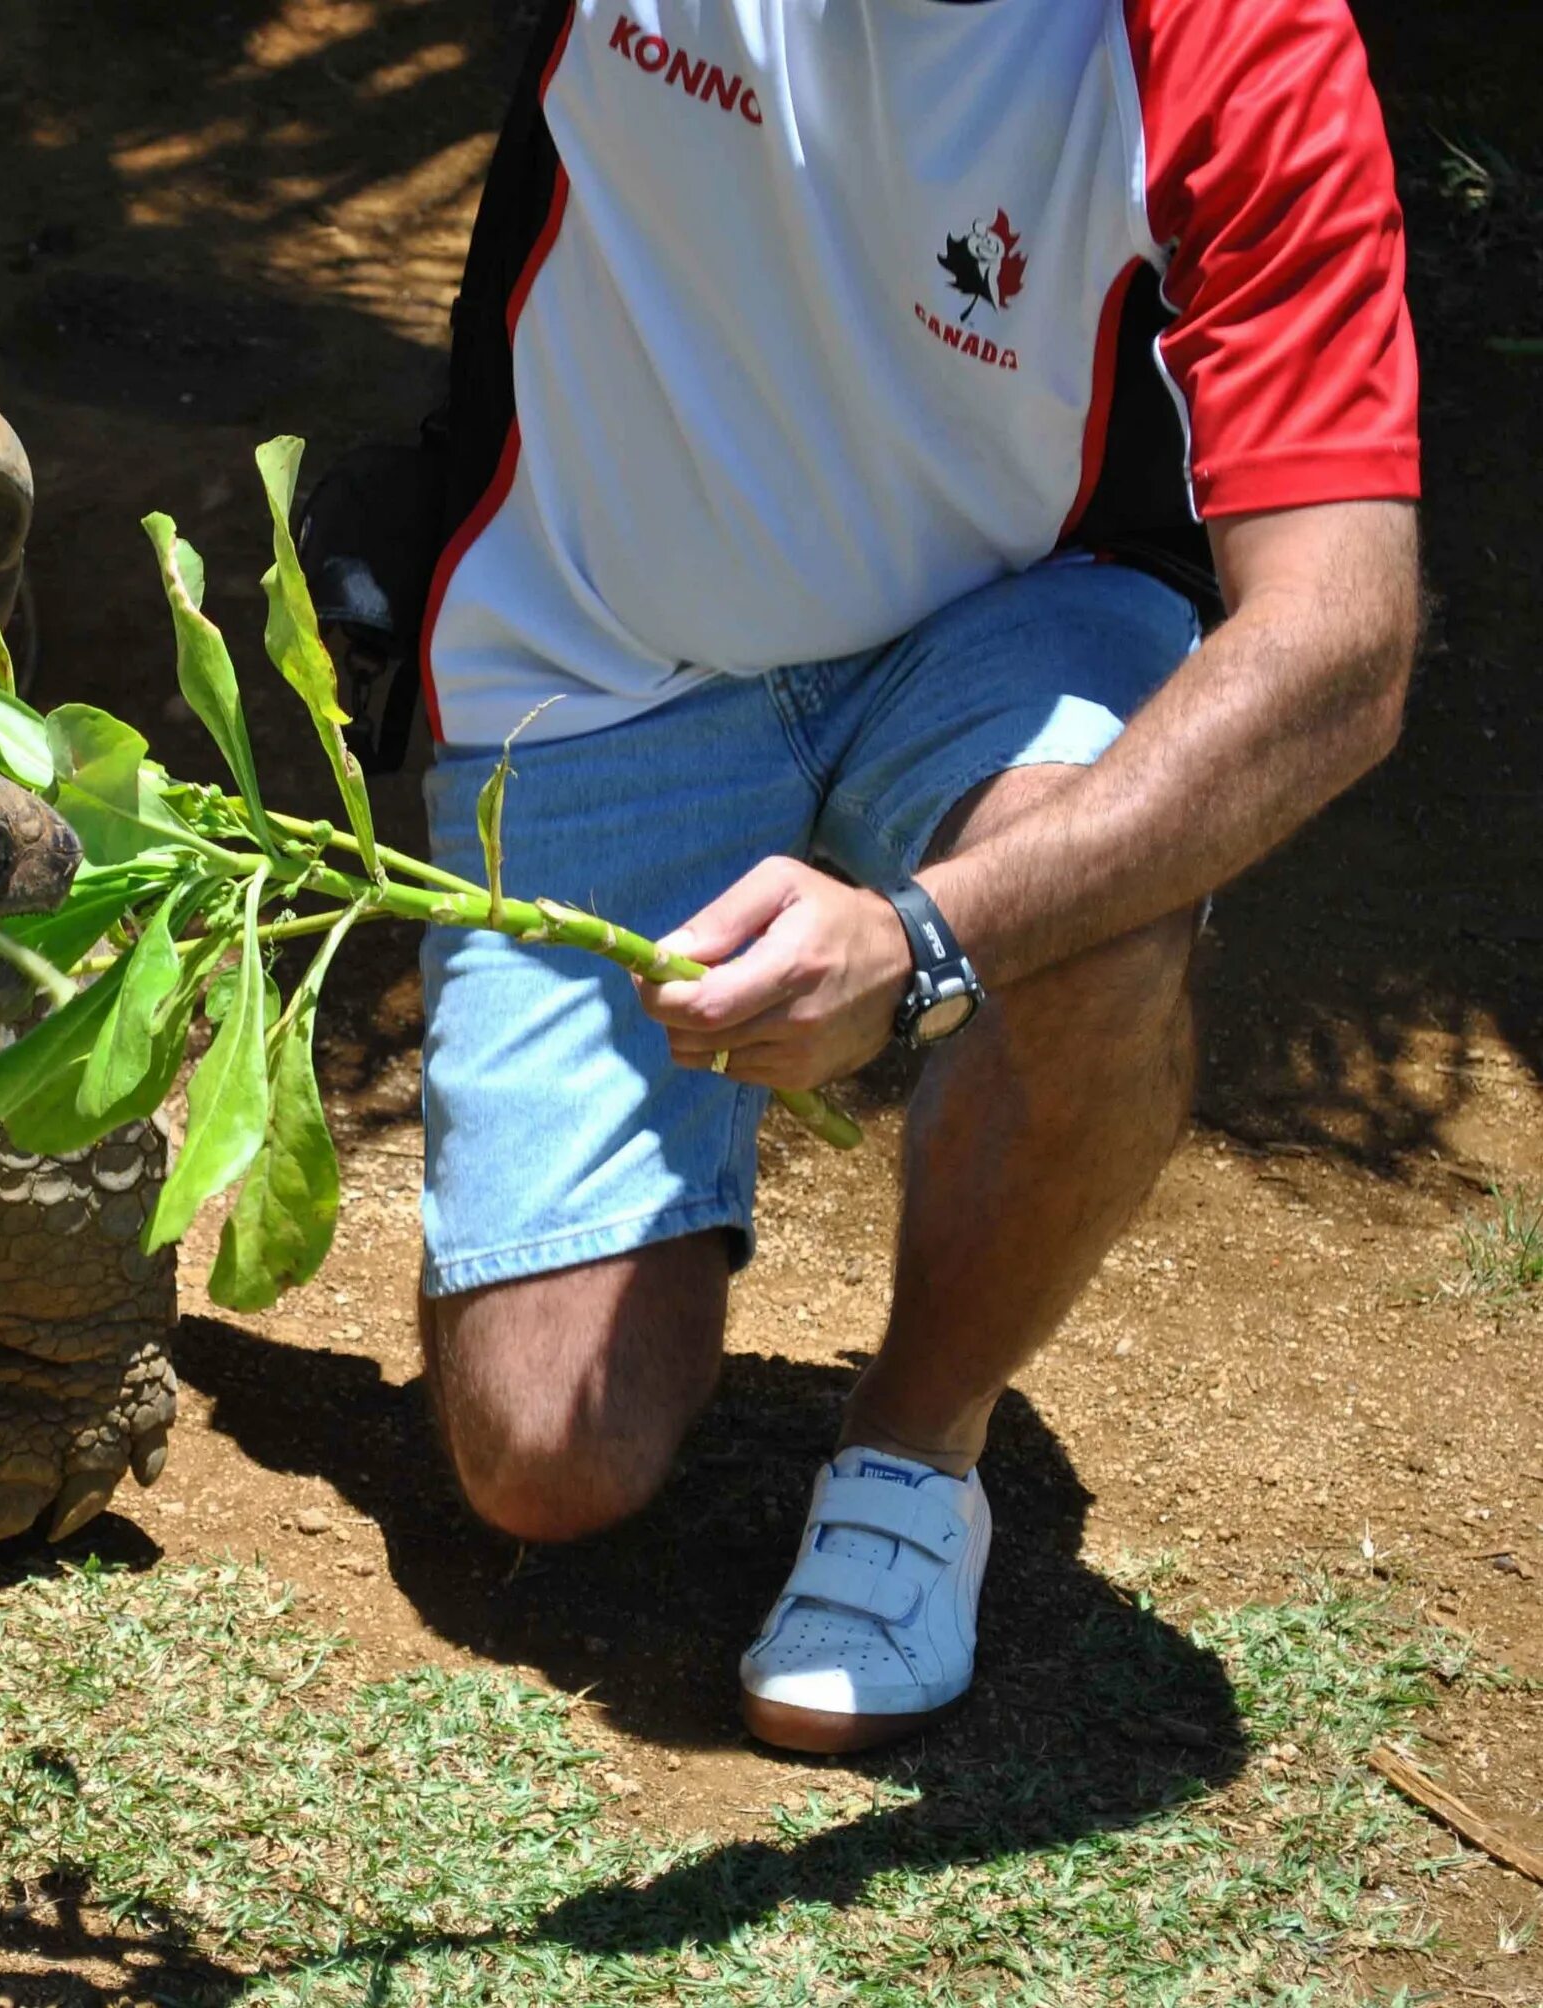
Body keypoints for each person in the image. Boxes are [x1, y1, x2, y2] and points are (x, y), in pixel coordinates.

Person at [301, 0, 1421, 1753]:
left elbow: (1345, 640)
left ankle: (918, 1446)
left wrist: (922, 939)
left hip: (1007, 609)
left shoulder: (1229, 38)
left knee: (1091, 917)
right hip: (598, 643)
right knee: (544, 1463)